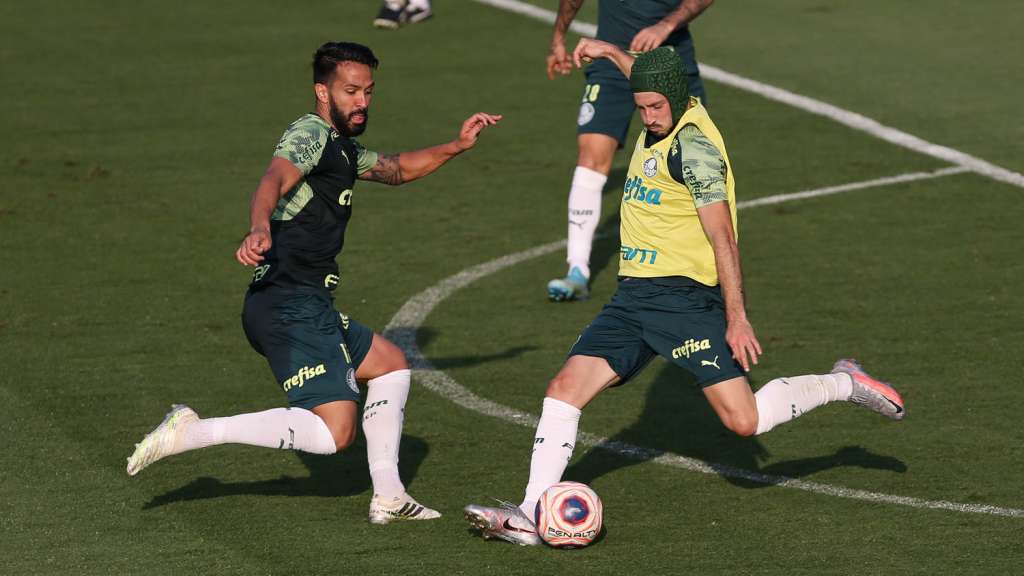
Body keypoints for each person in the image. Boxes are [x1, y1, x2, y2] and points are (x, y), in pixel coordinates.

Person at [464, 40, 905, 545]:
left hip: (686, 301)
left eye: (656, 107)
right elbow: (646, 77)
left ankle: (844, 382)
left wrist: (736, 316)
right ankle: (527, 512)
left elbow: (723, 236)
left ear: (675, 98)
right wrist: (610, 52)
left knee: (746, 422)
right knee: (564, 389)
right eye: (641, 107)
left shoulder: (694, 149)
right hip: (632, 301)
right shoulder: (663, 103)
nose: (648, 116)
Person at [127, 41, 501, 525]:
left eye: (368, 91)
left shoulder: (342, 148)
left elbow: (395, 169)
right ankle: (195, 431)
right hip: (288, 302)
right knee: (335, 435)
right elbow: (273, 179)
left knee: (389, 365)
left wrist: (456, 145)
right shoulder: (311, 134)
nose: (362, 101)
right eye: (351, 91)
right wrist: (260, 226)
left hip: (304, 302)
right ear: (322, 92)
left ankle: (388, 493)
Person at [546, 0, 715, 302]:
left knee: (691, 166)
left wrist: (666, 24)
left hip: (670, 64)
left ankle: (695, 266)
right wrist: (559, 35)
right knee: (590, 158)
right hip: (609, 62)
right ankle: (577, 271)